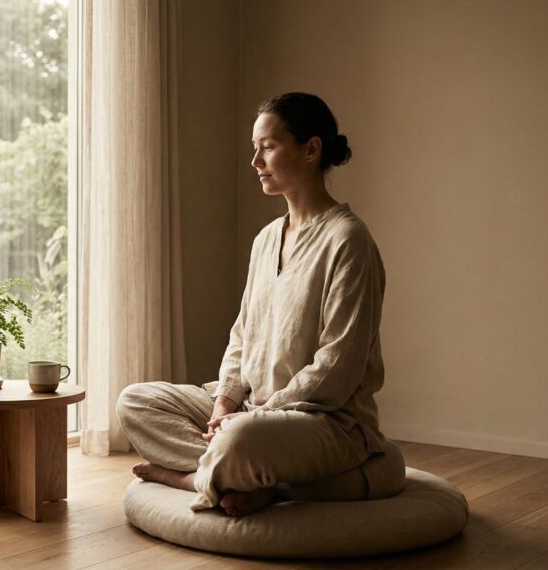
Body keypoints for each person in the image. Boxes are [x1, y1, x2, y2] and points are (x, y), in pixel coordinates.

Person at [116, 92, 405, 517]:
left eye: (267, 147)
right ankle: (247, 476)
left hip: (323, 421)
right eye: (255, 149)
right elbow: (242, 336)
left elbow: (337, 369)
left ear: (310, 149)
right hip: (250, 410)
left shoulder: (348, 241)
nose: (255, 161)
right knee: (135, 401)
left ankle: (190, 477)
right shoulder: (267, 237)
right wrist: (223, 406)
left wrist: (258, 417)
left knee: (242, 440)